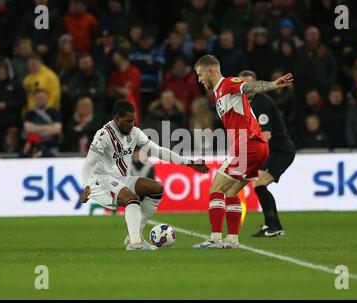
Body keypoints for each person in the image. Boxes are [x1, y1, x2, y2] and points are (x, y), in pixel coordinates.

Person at [79, 100, 209, 251]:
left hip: (118, 179)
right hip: (99, 181)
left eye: (133, 120)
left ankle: (136, 236)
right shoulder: (103, 135)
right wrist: (86, 186)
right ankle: (136, 244)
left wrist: (189, 163)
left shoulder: (135, 133)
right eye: (127, 121)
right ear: (117, 119)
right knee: (131, 198)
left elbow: (158, 151)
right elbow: (88, 164)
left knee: (156, 188)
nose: (131, 124)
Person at [193, 55, 293, 249]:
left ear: (210, 71)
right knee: (231, 192)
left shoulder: (227, 83)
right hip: (258, 148)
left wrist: (272, 84)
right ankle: (232, 240)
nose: (199, 79)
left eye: (200, 74)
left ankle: (214, 238)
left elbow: (249, 87)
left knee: (215, 189)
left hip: (248, 145)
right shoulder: (219, 93)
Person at [238, 70, 295, 237]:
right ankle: (274, 226)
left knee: (259, 184)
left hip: (280, 150)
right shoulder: (244, 103)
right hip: (273, 150)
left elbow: (266, 136)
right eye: (243, 85)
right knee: (259, 185)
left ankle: (273, 226)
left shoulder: (261, 103)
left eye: (250, 85)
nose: (246, 88)